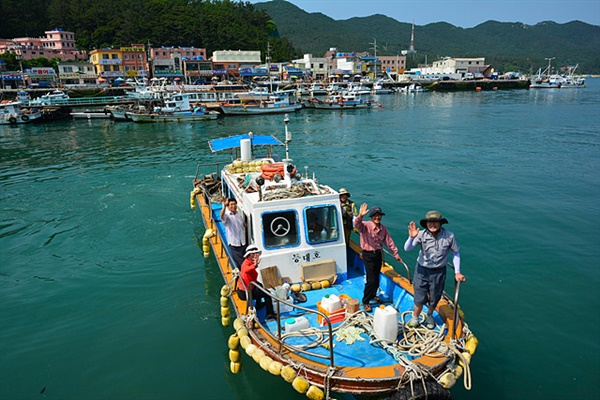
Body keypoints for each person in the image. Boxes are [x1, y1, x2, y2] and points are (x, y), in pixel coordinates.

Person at [404, 210, 466, 329]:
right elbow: (407, 248)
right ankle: (415, 317)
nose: (433, 225)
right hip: (422, 270)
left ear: (441, 223)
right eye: (430, 222)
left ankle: (430, 315)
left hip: (439, 271)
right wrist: (411, 238)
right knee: (419, 295)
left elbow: (455, 252)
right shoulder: (421, 234)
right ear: (426, 223)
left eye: (436, 222)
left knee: (435, 296)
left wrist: (457, 271)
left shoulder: (449, 236)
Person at [354, 204, 402, 312]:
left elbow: (389, 242)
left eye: (379, 215)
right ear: (371, 217)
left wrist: (396, 253)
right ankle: (366, 300)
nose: (377, 217)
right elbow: (357, 225)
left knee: (376, 278)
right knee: (371, 280)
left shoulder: (383, 229)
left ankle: (373, 295)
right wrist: (360, 216)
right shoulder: (366, 225)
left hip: (378, 254)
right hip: (368, 255)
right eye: (375, 216)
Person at [236, 245, 275, 319]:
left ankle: (258, 304)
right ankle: (270, 313)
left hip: (250, 287)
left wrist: (255, 265)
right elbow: (246, 270)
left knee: (259, 285)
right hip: (245, 293)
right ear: (249, 255)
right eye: (253, 254)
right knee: (267, 294)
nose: (256, 255)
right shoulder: (246, 264)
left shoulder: (249, 262)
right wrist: (255, 265)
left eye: (256, 253)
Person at [220, 196, 246, 270]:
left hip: (242, 242)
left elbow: (242, 224)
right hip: (235, 243)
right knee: (241, 263)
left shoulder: (238, 214)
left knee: (243, 260)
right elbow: (222, 216)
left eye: (235, 204)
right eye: (231, 204)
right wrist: (224, 206)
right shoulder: (227, 215)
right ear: (228, 206)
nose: (233, 206)